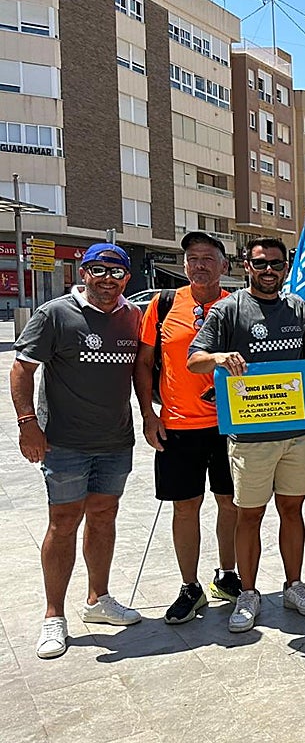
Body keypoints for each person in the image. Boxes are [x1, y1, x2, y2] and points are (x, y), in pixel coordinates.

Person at [13, 243, 143, 660]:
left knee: (104, 517)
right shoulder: (55, 313)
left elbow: (140, 371)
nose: (108, 279)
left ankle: (98, 600)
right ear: (83, 271)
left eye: (117, 272)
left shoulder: (132, 316)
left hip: (115, 441)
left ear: (127, 277)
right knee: (64, 521)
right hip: (64, 443)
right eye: (99, 270)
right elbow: (22, 368)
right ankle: (54, 615)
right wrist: (27, 424)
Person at [188, 237, 305, 633]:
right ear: (246, 265)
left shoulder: (300, 310)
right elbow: (194, 360)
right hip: (249, 438)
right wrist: (217, 358)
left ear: (287, 267)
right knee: (249, 515)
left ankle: (295, 586)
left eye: (276, 264)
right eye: (260, 263)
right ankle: (247, 592)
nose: (269, 271)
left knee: (292, 511)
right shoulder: (228, 310)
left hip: (296, 433)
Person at [133, 231, 239, 625]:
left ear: (224, 266)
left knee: (230, 503)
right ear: (184, 266)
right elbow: (144, 364)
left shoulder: (236, 306)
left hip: (230, 426)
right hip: (176, 425)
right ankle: (189, 586)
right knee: (185, 506)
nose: (199, 265)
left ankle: (228, 576)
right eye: (192, 258)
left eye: (208, 258)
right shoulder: (162, 306)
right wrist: (148, 415)